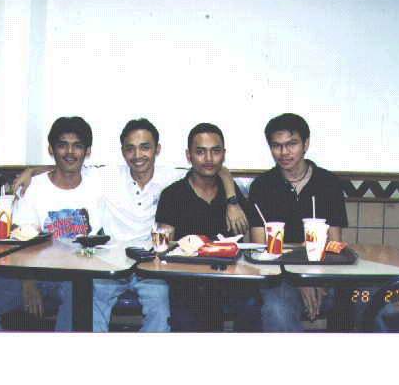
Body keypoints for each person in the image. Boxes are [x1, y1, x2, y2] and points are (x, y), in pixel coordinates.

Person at [13, 118, 249, 332]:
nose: (138, 155)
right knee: (89, 310)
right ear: (123, 152)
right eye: (130, 148)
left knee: (161, 312)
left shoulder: (171, 177)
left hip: (151, 267)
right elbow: (69, 165)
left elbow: (216, 168)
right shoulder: (109, 177)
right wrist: (32, 172)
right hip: (110, 264)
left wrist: (232, 200)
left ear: (157, 149)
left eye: (145, 147)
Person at [0, 116, 102, 331]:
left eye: (77, 146)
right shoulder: (34, 187)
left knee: (80, 300)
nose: (70, 152)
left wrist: (32, 169)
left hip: (76, 276)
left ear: (88, 151)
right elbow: (20, 240)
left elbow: (136, 168)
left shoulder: (97, 183)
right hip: (32, 273)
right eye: (62, 145)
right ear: (51, 149)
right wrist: (28, 282)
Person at [155, 123, 261, 332]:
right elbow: (164, 248)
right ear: (189, 156)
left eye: (215, 151)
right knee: (190, 314)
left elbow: (251, 244)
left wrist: (232, 202)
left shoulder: (232, 195)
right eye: (200, 152)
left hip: (229, 277)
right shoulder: (172, 195)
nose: (209, 158)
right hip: (189, 279)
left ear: (224, 154)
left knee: (252, 305)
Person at [248, 113, 348, 332]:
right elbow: (261, 248)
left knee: (366, 297)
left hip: (323, 277)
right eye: (277, 146)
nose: (284, 152)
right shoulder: (262, 186)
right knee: (277, 309)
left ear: (306, 144)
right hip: (279, 279)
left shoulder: (328, 183)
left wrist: (313, 280)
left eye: (291, 144)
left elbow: (334, 244)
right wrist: (300, 279)